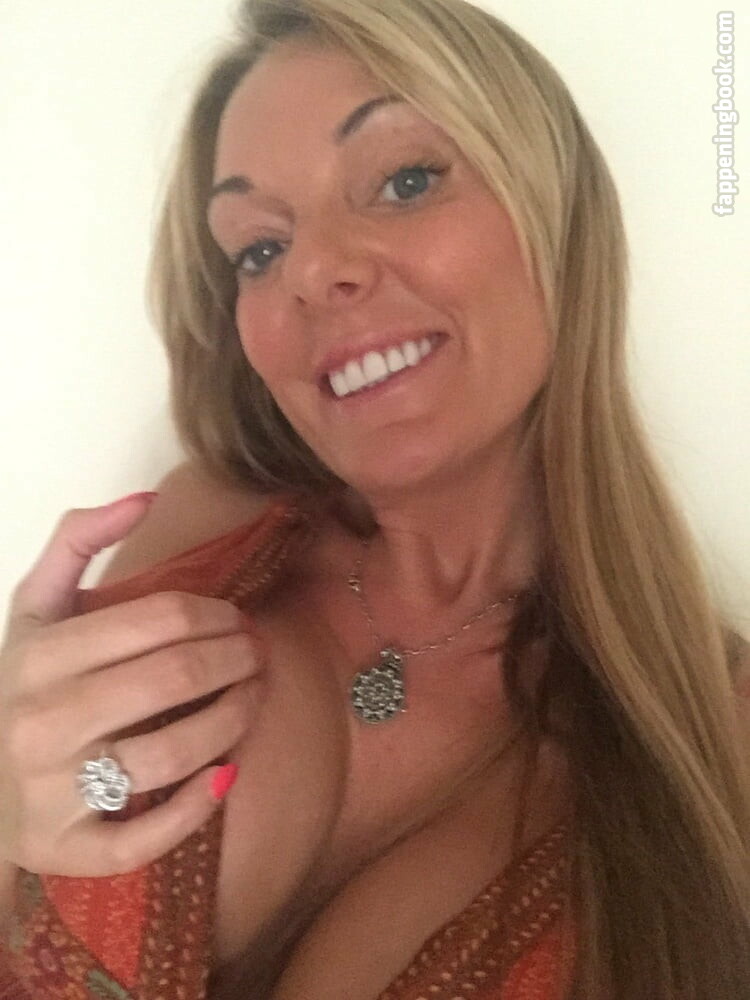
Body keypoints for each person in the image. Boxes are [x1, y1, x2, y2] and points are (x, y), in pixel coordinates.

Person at [0, 0, 748, 997]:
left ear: (556, 214)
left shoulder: (722, 747)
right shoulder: (197, 535)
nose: (313, 272)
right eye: (259, 249)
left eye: (405, 180)